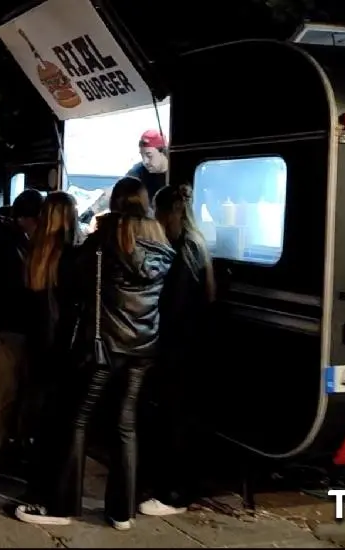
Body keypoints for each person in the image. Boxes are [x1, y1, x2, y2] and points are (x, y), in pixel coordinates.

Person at [15, 177, 175, 530]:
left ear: (116, 201)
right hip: (144, 348)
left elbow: (73, 281)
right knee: (126, 426)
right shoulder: (160, 239)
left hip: (102, 347)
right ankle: (122, 512)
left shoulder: (107, 237)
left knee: (77, 421)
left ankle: (61, 506)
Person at [137, 183, 216, 516]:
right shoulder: (196, 243)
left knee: (175, 419)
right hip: (190, 345)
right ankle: (177, 488)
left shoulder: (184, 248)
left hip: (179, 348)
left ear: (169, 213)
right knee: (179, 417)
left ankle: (174, 494)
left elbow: (175, 305)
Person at [20, 192, 83, 476]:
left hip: (37, 340)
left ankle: (34, 454)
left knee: (38, 400)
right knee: (63, 411)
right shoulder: (72, 254)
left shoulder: (36, 252)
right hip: (63, 341)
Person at [0, 189, 43, 465]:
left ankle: (9, 440)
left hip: (9, 325)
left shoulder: (8, 244)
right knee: (9, 389)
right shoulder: (12, 247)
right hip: (11, 326)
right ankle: (4, 443)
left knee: (12, 389)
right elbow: (16, 287)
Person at [126, 129, 169, 200]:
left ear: (163, 152)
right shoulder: (138, 171)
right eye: (142, 156)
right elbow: (122, 187)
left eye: (149, 156)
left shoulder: (177, 172)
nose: (145, 161)